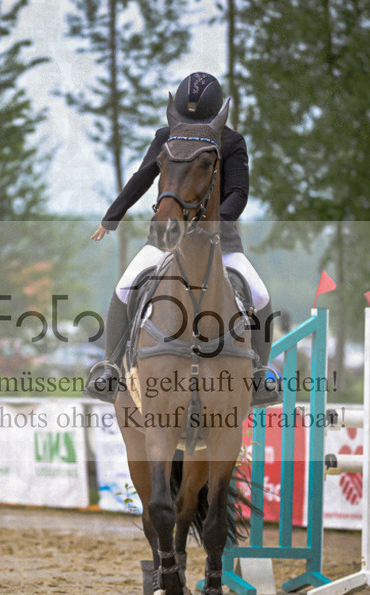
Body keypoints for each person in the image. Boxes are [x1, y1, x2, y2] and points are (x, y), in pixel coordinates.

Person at [85, 72, 281, 408]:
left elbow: (238, 193)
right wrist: (112, 217)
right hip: (164, 238)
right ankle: (110, 367)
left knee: (259, 293)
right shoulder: (166, 136)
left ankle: (259, 374)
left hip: (221, 243)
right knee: (125, 286)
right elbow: (143, 176)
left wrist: (213, 226)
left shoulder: (232, 142)